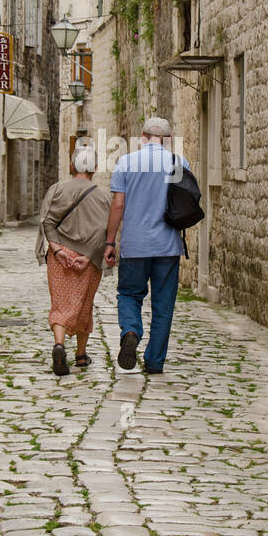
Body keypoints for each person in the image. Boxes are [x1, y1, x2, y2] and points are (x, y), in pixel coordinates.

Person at [104, 116, 189, 374]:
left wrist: (110, 242)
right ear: (168, 139)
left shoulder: (126, 163)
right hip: (167, 246)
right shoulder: (178, 162)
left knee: (129, 294)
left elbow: (118, 205)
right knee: (163, 305)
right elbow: (183, 202)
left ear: (142, 136)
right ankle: (154, 361)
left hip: (135, 245)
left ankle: (131, 330)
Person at [36, 144, 111, 376]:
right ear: (95, 168)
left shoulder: (57, 189)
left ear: (72, 165)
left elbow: (47, 222)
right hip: (88, 261)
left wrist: (58, 251)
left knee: (60, 305)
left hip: (60, 258)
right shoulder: (104, 196)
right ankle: (80, 355)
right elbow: (104, 232)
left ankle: (59, 345)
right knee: (83, 305)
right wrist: (88, 256)